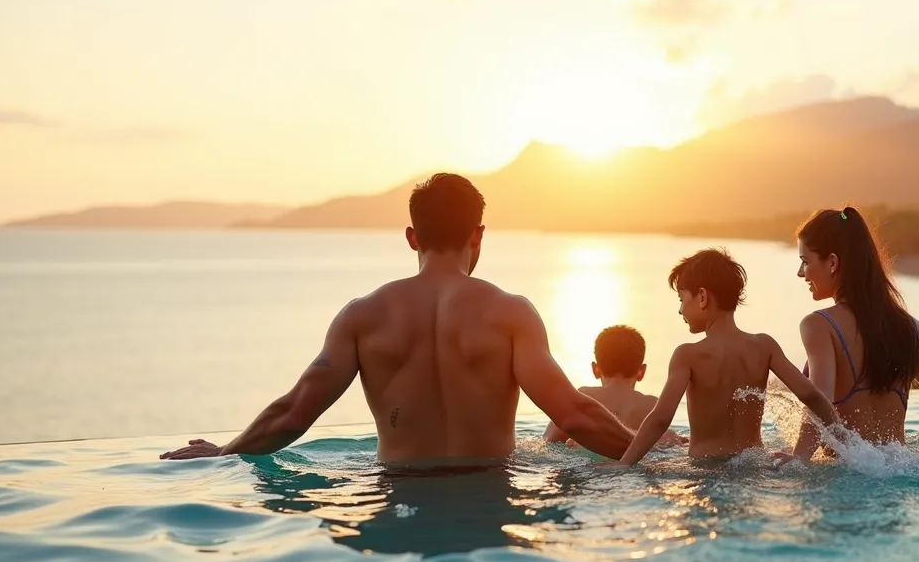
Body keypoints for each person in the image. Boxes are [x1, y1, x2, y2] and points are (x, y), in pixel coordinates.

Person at [160, 173, 635, 464]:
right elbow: (574, 414)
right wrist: (654, 454)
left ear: (412, 237)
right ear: (478, 235)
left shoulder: (363, 316)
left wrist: (225, 451)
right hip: (492, 494)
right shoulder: (510, 313)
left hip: (396, 495)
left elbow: (295, 411)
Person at [616, 248, 843, 466]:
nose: (680, 310)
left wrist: (625, 463)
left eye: (681, 299)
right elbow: (812, 395)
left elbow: (660, 419)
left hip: (706, 470)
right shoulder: (764, 346)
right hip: (754, 466)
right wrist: (844, 444)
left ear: (702, 297)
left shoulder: (687, 355)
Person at [783, 207, 919, 463]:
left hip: (847, 484)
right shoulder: (912, 330)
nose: (800, 272)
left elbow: (821, 403)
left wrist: (798, 459)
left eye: (805, 261)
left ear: (832, 262)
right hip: (902, 478)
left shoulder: (819, 325)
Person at [542, 325, 686, 448]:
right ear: (641, 372)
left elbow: (547, 442)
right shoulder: (653, 405)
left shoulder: (583, 396)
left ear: (595, 369)